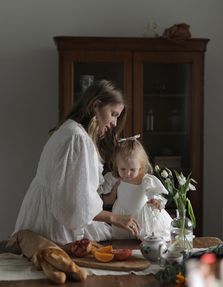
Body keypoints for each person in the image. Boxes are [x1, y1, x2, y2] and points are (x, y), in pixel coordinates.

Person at [14, 80, 140, 245]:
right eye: (114, 114)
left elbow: (79, 193)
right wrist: (113, 217)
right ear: (96, 105)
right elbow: (74, 204)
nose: (115, 123)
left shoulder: (71, 130)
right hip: (50, 224)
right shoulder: (76, 138)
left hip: (43, 214)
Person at [98, 135, 172, 241]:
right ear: (116, 165)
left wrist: (155, 200)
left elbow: (153, 192)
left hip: (141, 216)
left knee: (142, 241)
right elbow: (100, 192)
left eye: (132, 169)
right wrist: (108, 191)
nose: (127, 173)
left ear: (140, 166)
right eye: (123, 169)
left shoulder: (145, 179)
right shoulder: (115, 178)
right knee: (122, 242)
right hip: (120, 215)